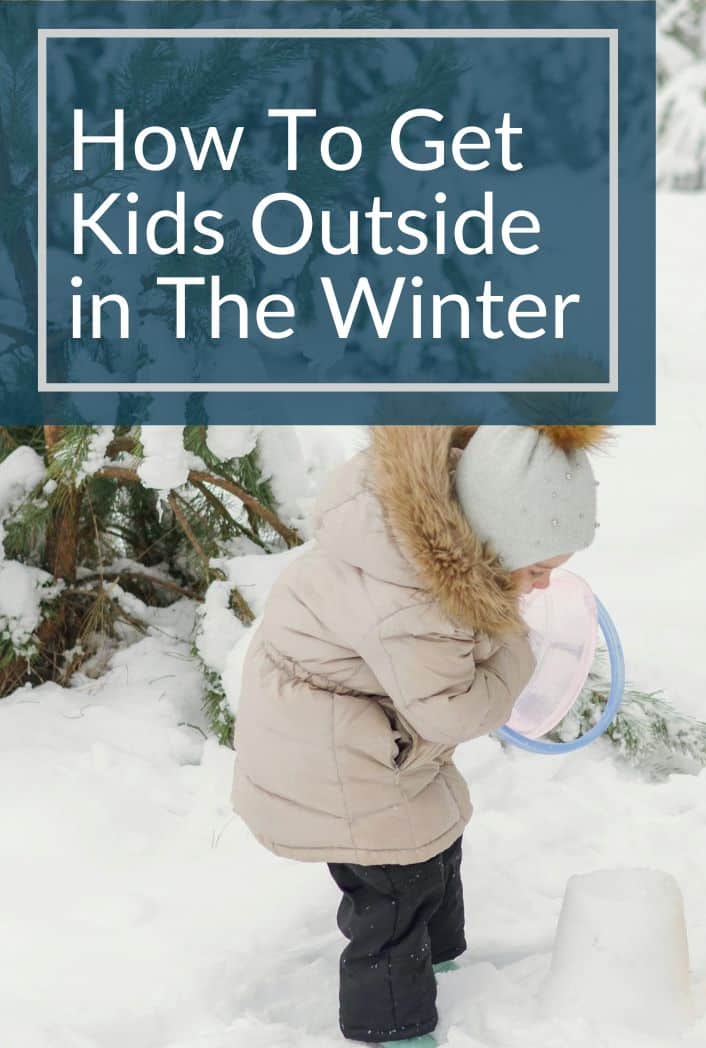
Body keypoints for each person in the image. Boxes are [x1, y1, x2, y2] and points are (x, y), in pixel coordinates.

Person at [232, 424, 604, 1046]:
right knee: (392, 893)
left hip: (372, 734)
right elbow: (452, 711)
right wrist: (519, 647)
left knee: (435, 843)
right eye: (537, 568)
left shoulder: (441, 557)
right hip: (332, 757)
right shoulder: (416, 600)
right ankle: (393, 1025)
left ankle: (439, 958)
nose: (541, 586)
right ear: (493, 538)